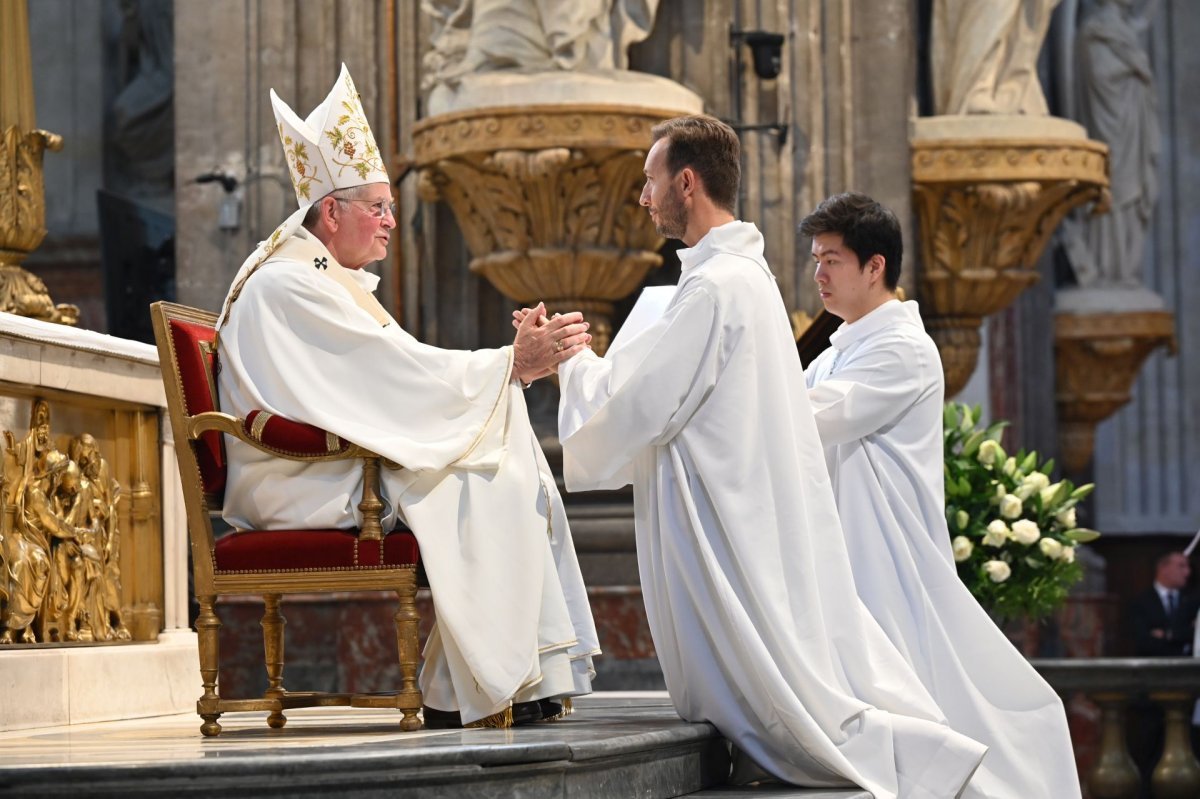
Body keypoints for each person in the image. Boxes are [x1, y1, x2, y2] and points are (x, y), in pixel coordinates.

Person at [519, 115, 987, 797]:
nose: (644, 198)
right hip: (740, 509)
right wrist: (586, 364)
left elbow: (643, 409)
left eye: (651, 182)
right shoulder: (741, 277)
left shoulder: (717, 287)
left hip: (724, 521)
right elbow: (661, 392)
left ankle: (918, 759)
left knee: (792, 707)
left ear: (687, 181)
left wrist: (573, 358)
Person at [215, 64, 600, 728]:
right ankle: (481, 685)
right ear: (331, 211)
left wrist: (506, 369)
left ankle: (520, 672)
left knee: (505, 460)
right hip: (294, 476)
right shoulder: (289, 284)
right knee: (479, 476)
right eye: (379, 207)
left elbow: (392, 374)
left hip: (333, 460)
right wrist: (509, 365)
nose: (394, 221)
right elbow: (388, 376)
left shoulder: (321, 274)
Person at [800, 192, 1082, 798]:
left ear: (875, 267)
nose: (817, 274)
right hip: (841, 548)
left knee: (923, 701)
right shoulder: (835, 351)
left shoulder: (902, 347)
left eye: (831, 260)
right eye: (816, 259)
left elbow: (811, 417)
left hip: (887, 554)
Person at [1130, 551, 1198, 656]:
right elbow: (1143, 641)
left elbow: (1195, 634)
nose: (1187, 572)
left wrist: (1167, 635)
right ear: (1163, 568)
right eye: (1181, 566)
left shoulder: (1193, 600)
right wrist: (1181, 639)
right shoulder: (1141, 602)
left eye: (1188, 566)